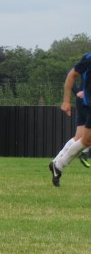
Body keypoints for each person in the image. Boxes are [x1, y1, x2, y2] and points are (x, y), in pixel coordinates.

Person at [49, 53, 91, 186]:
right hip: (87, 104)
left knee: (84, 140)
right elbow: (71, 74)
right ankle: (58, 164)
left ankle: (57, 164)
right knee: (84, 139)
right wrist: (67, 100)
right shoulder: (89, 58)